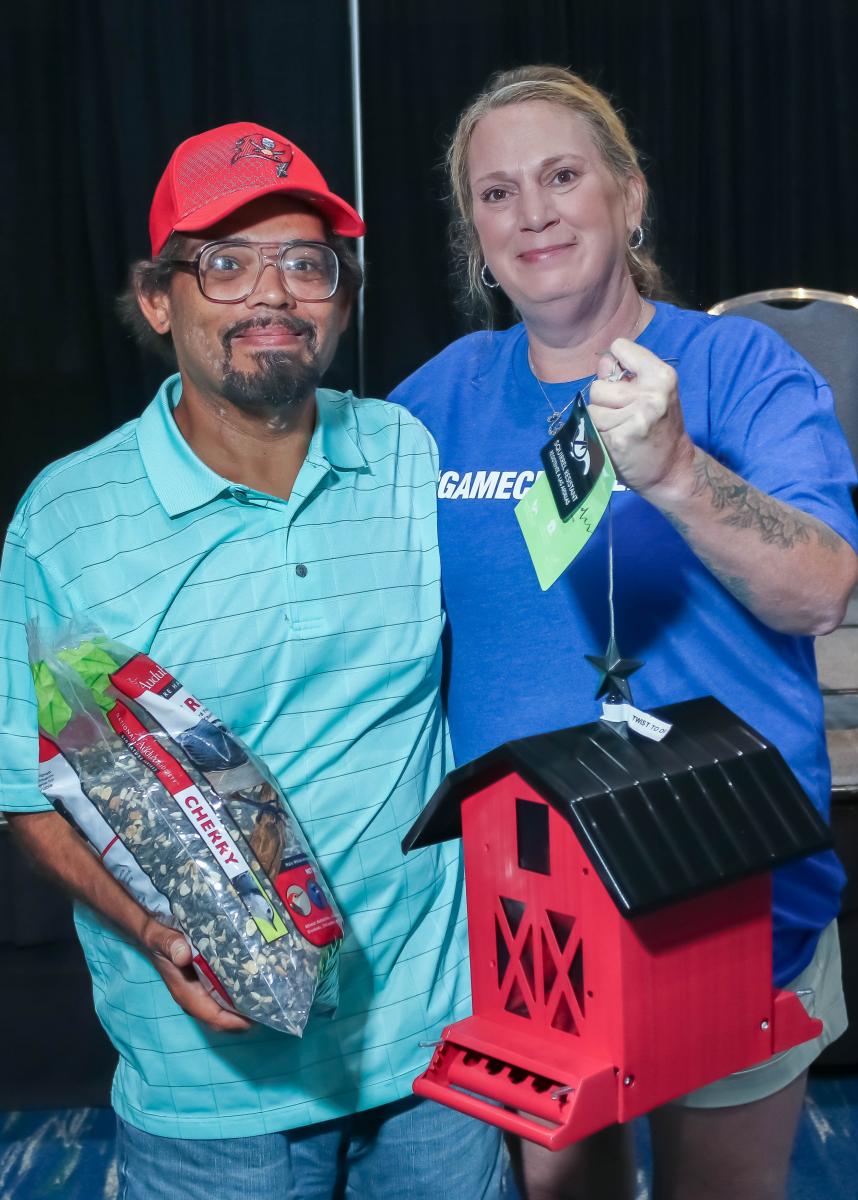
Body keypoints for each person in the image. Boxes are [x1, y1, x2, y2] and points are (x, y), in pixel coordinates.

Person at [0, 121, 509, 1200]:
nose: (271, 293)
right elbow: (28, 791)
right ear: (157, 301)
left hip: (434, 1058)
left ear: (342, 296)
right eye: (224, 263)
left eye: (306, 262)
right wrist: (153, 930)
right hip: (212, 1093)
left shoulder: (407, 457)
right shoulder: (70, 520)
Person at [390, 67, 858, 1200]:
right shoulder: (436, 402)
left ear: (629, 196)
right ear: (474, 235)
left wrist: (681, 476)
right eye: (496, 194)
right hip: (536, 919)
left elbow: (824, 590)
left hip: (734, 903)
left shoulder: (742, 368)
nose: (533, 213)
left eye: (562, 176)